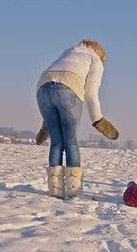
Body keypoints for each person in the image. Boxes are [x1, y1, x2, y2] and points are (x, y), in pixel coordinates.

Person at [35, 40, 120, 199]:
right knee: (70, 142)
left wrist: (45, 124)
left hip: (41, 88)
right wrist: (98, 120)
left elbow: (54, 81)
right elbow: (90, 93)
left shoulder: (68, 52)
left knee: (56, 142)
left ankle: (55, 189)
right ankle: (73, 191)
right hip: (68, 89)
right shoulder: (96, 60)